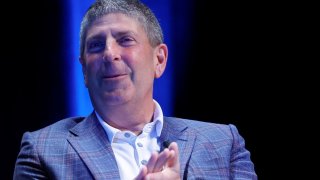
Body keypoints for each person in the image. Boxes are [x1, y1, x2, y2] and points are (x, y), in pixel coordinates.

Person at [13, 0, 257, 179]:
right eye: (96, 45)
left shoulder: (224, 143)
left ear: (159, 60)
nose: (109, 53)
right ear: (85, 71)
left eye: (125, 40)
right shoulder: (42, 150)